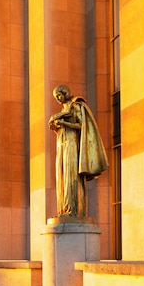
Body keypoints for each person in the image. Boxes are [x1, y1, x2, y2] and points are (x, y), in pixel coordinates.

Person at [48, 85, 108, 219]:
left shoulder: (76, 105)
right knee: (62, 176)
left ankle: (73, 210)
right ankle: (63, 209)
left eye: (59, 95)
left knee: (71, 175)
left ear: (66, 92)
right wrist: (55, 127)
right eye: (56, 97)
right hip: (61, 144)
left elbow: (81, 125)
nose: (58, 98)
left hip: (72, 143)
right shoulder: (63, 110)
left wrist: (64, 124)